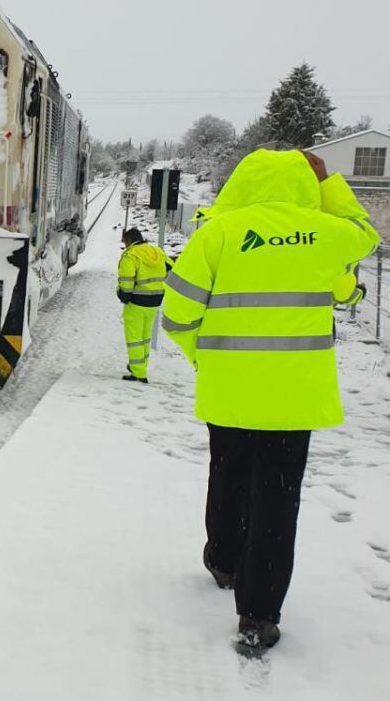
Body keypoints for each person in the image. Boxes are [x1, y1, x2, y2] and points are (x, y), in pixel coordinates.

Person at [162, 148, 380, 652]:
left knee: (229, 474)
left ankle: (222, 560)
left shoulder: (217, 233)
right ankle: (258, 616)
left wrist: (207, 358)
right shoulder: (324, 234)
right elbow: (364, 234)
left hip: (230, 391)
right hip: (293, 398)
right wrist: (328, 185)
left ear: (242, 182)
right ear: (306, 184)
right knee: (278, 501)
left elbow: (176, 316)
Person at [116, 227, 172, 383]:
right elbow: (172, 268)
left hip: (136, 302)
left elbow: (126, 283)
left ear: (128, 240)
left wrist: (123, 296)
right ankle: (141, 365)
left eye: (124, 242)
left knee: (134, 339)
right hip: (155, 302)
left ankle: (138, 373)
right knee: (145, 338)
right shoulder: (157, 251)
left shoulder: (130, 255)